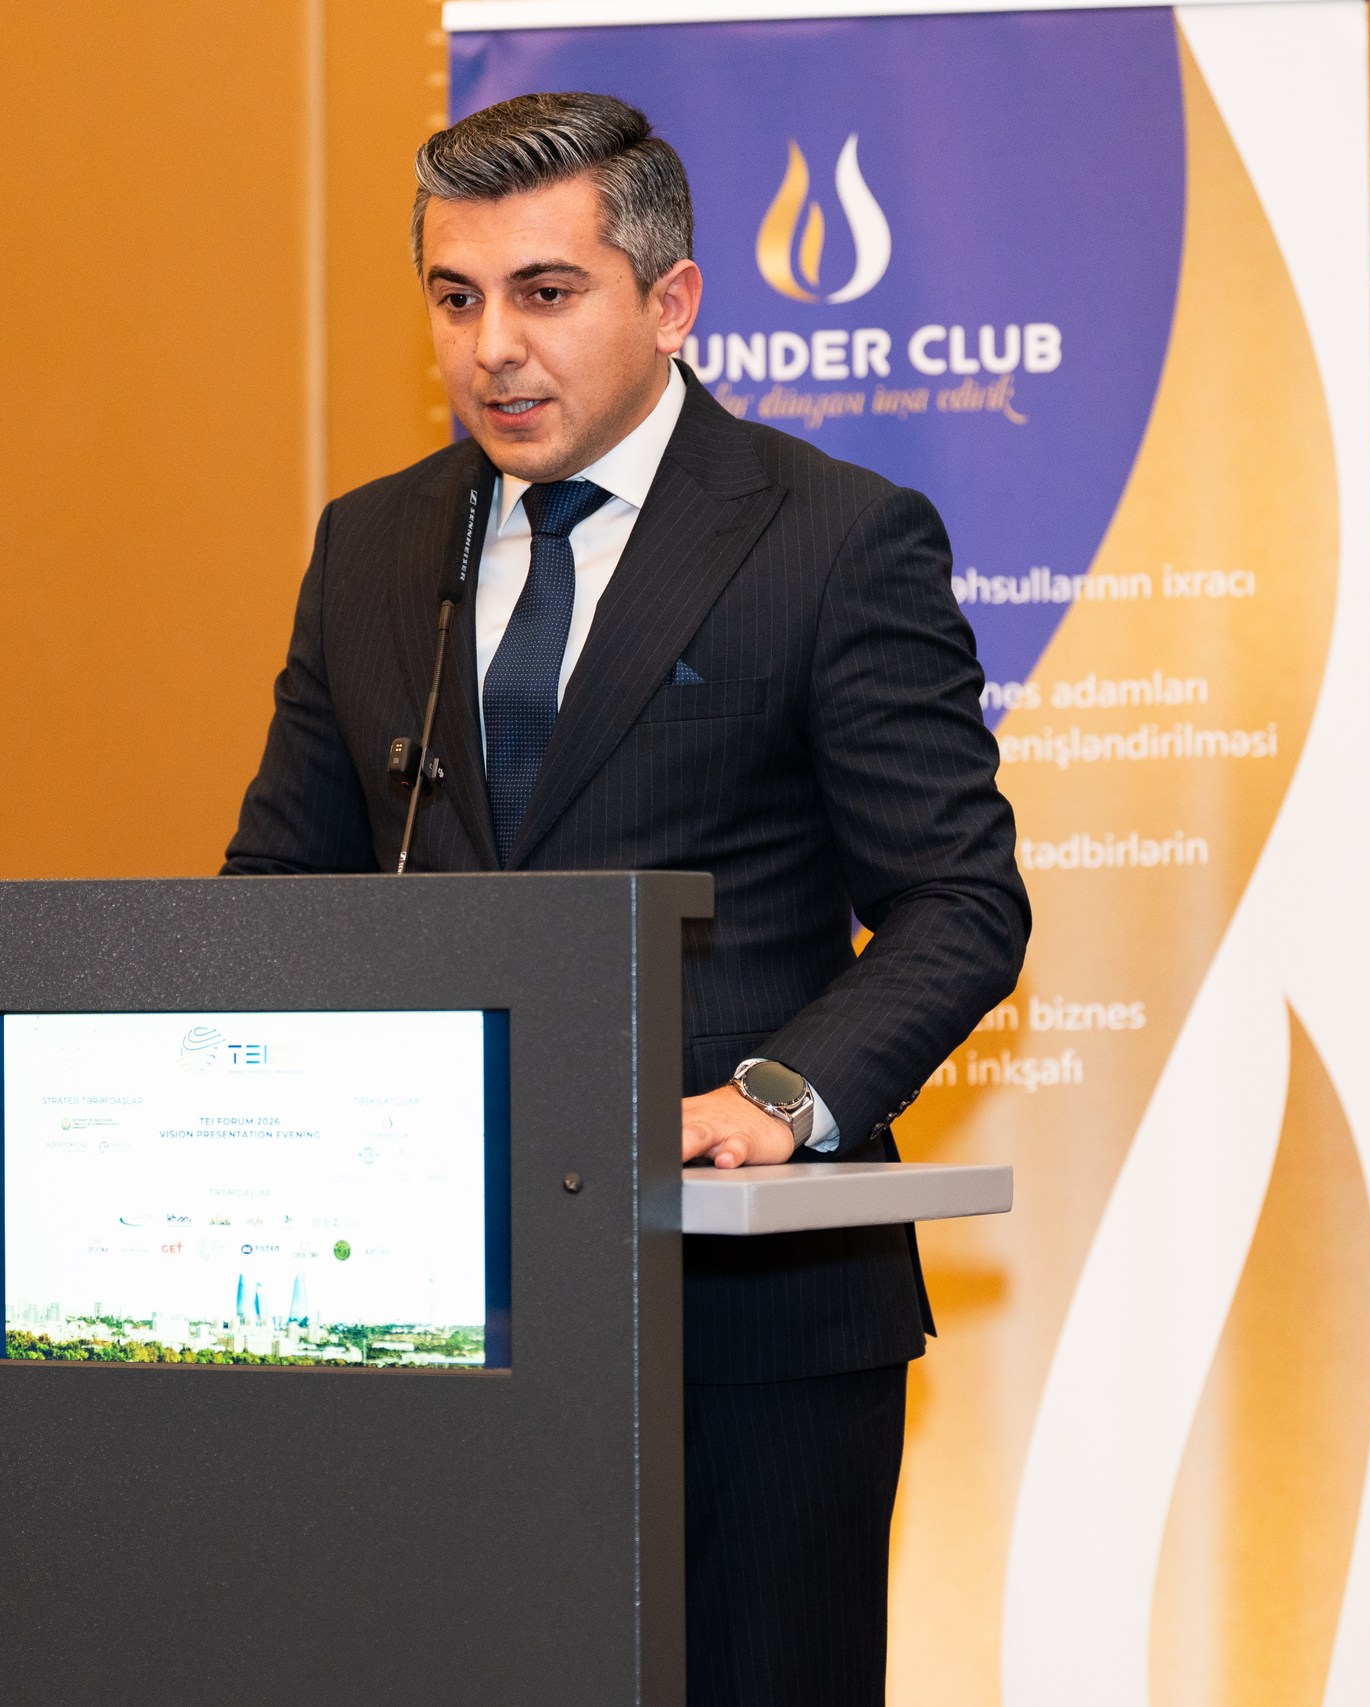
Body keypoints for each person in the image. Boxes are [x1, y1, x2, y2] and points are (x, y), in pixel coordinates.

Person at [222, 91, 1027, 1707]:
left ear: (671, 302)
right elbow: (276, 891)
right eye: (455, 298)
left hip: (747, 1323)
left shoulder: (835, 538)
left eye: (545, 293)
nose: (493, 350)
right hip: (432, 1312)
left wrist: (776, 1098)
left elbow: (958, 901)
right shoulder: (372, 547)